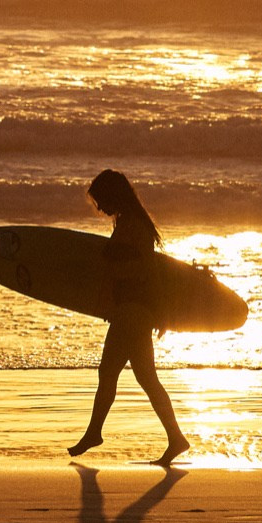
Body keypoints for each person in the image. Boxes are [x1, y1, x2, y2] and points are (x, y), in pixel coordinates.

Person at [68, 169, 189, 465]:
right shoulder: (131, 222)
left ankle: (94, 432)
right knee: (145, 378)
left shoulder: (133, 225)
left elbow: (145, 270)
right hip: (135, 310)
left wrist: (159, 311)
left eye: (101, 200)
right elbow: (142, 269)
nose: (99, 208)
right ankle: (175, 438)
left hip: (133, 310)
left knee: (109, 372)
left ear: (114, 195)